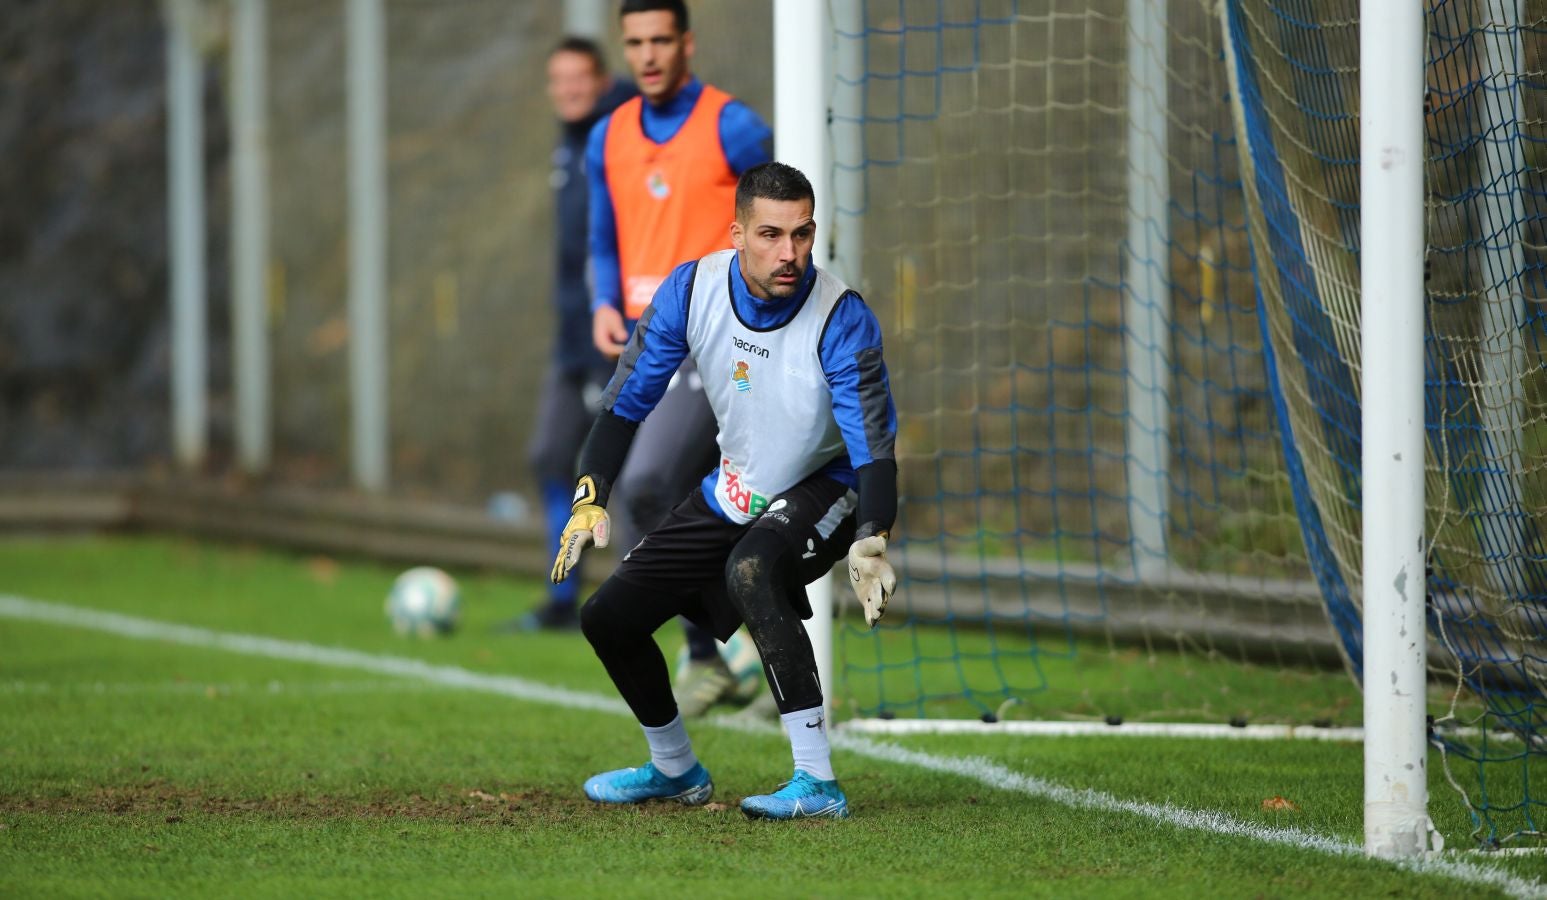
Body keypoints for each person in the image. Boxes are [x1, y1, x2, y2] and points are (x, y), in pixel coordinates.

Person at [551, 162, 900, 820]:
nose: (788, 253)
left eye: (801, 235)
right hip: (735, 487)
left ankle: (816, 780)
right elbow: (625, 405)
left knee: (751, 567)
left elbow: (872, 448)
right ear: (736, 233)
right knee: (607, 618)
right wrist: (589, 496)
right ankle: (675, 770)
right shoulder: (692, 290)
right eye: (770, 234)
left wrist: (872, 534)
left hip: (829, 484)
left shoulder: (842, 319)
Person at [584, 0, 775, 713]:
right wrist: (606, 302)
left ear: (686, 42)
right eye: (634, 42)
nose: (648, 54)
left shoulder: (733, 126)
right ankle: (743, 652)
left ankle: (712, 655)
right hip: (645, 342)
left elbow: (779, 218)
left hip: (716, 344)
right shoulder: (607, 136)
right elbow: (604, 237)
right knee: (695, 509)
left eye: (661, 39)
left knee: (644, 486)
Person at [510, 37, 639, 632]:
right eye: (557, 81)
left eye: (578, 79)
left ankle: (650, 596)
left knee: (636, 475)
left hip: (611, 338)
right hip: (570, 340)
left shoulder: (623, 134)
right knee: (549, 456)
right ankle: (561, 596)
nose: (568, 90)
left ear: (601, 79)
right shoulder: (570, 144)